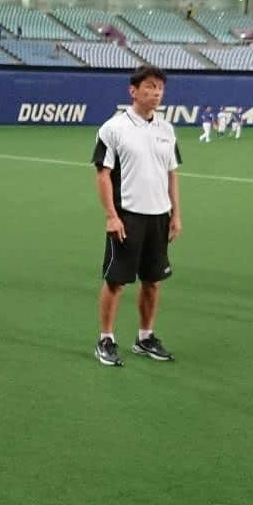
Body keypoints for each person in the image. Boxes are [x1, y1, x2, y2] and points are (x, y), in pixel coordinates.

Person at [92, 64, 182, 367]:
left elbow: (172, 175)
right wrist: (111, 216)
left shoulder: (167, 129)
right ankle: (106, 338)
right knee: (116, 281)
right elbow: (103, 175)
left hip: (159, 217)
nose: (156, 93)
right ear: (133, 91)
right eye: (149, 87)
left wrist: (176, 215)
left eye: (160, 88)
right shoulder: (114, 128)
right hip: (127, 217)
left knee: (153, 281)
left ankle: (145, 337)